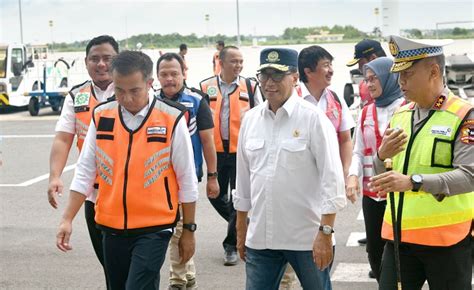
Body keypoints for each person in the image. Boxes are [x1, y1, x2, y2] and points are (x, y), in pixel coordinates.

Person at [56, 51, 198, 289]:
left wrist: (189, 230)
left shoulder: (171, 118)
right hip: (111, 228)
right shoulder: (101, 116)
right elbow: (85, 171)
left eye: (135, 90)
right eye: (120, 90)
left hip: (155, 227)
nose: (127, 98)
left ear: (149, 83)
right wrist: (67, 219)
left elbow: (187, 179)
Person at [234, 48, 346, 290]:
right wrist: (241, 228)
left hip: (307, 238)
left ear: (294, 78)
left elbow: (332, 179)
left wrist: (326, 232)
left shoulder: (313, 119)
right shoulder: (250, 120)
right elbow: (243, 179)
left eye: (277, 75)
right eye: (264, 76)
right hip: (261, 237)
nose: (269, 83)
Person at [368, 35, 473, 290]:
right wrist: (381, 157)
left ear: (433, 71)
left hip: (447, 241)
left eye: (408, 74)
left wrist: (413, 182)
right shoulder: (401, 114)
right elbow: (382, 171)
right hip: (399, 239)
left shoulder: (464, 115)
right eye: (399, 75)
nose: (401, 83)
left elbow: (469, 176)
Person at [278, 45, 355, 289]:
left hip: (325, 184)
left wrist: (343, 174)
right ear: (308, 71)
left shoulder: (335, 99)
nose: (331, 71)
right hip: (296, 185)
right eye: (325, 66)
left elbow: (345, 139)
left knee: (323, 238)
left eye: (331, 65)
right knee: (290, 246)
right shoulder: (291, 98)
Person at [47, 35, 119, 288]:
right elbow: (63, 139)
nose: (100, 64)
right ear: (86, 62)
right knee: (110, 266)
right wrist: (55, 175)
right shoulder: (76, 97)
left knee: (134, 266)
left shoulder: (133, 91)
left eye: (107, 58)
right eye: (94, 59)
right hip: (93, 195)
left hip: (127, 192)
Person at [156, 52, 219, 290]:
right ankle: (187, 272)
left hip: (187, 177)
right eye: (164, 74)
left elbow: (208, 142)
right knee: (174, 228)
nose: (169, 79)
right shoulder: (151, 101)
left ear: (184, 73)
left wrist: (212, 177)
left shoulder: (197, 101)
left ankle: (178, 278)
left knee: (180, 228)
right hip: (159, 177)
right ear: (157, 77)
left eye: (174, 73)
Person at [199, 45, 263, 266]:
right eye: (234, 61)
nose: (238, 65)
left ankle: (231, 245)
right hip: (215, 151)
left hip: (241, 151)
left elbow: (261, 116)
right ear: (222, 62)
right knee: (214, 194)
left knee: (238, 198)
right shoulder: (205, 87)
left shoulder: (251, 86)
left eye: (241, 61)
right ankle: (243, 223)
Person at [345, 57, 405, 281]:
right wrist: (352, 177)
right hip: (372, 194)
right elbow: (358, 151)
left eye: (374, 79)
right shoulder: (365, 112)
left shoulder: (406, 108)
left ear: (389, 78)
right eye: (366, 80)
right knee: (375, 250)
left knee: (401, 250)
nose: (369, 84)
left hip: (399, 192)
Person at [346, 39, 387, 107]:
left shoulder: (400, 82)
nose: (359, 68)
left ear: (373, 58)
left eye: (361, 63)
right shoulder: (364, 85)